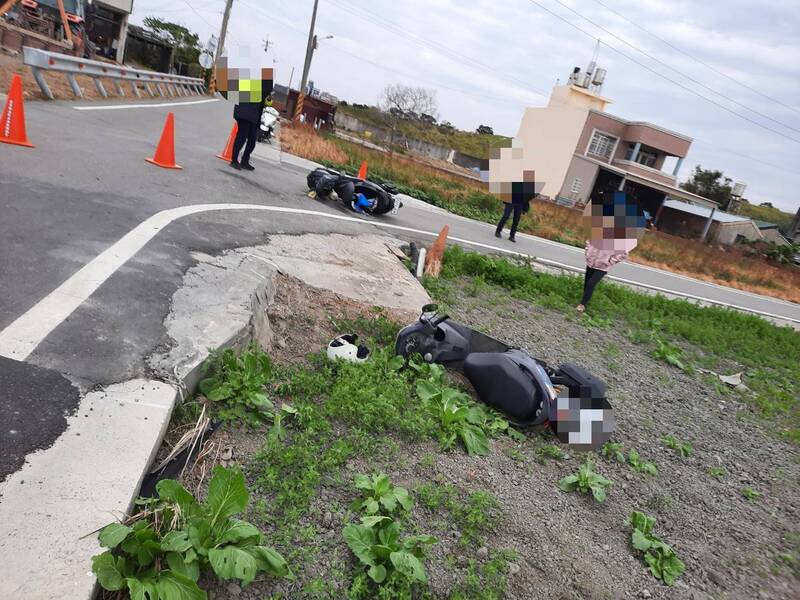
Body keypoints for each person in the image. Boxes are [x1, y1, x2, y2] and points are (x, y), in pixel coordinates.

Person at [576, 191, 644, 312]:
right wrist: (588, 251)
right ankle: (584, 300)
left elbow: (624, 252)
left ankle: (582, 305)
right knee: (586, 283)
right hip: (591, 260)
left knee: (591, 283)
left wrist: (610, 261)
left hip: (603, 265)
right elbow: (589, 239)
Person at [230, 93, 269, 171]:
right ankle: (234, 160)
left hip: (251, 114)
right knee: (242, 136)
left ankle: (244, 161)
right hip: (246, 113)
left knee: (252, 139)